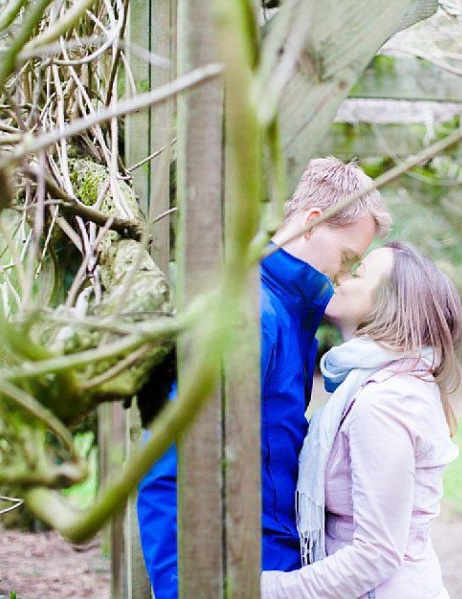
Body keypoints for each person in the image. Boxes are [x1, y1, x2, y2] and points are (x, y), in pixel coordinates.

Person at [136, 157, 391, 599]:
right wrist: (177, 587)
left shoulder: (291, 314)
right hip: (234, 568)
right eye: (347, 258)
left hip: (268, 561)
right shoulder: (250, 315)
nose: (344, 276)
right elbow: (169, 458)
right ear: (313, 223)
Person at [261, 241, 462, 599]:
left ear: (390, 306)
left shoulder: (384, 404)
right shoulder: (381, 384)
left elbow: (376, 554)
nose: (341, 276)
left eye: (358, 272)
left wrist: (268, 588)